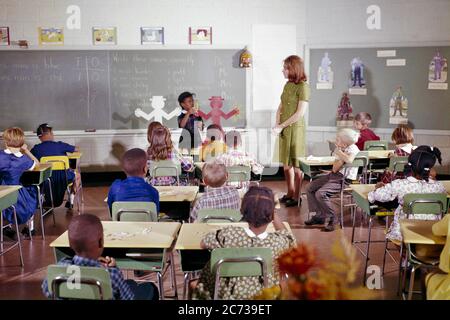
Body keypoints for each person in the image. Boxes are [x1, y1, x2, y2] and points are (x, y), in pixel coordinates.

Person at [191, 186, 296, 299]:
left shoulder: (228, 235)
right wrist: (273, 215)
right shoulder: (278, 242)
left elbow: (203, 243)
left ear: (242, 211)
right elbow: (289, 238)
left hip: (227, 294)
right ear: (271, 215)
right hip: (264, 293)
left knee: (194, 283)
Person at [41, 214, 159, 300]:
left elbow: (47, 290)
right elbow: (128, 298)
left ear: (70, 244)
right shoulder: (111, 274)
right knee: (149, 288)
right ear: (101, 242)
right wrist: (114, 268)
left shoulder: (58, 269)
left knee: (131, 283)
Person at [368, 146, 446, 242]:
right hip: (432, 231)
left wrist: (378, 189)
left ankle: (405, 253)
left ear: (409, 165)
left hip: (404, 231)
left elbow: (375, 196)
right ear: (430, 168)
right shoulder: (439, 186)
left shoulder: (399, 184)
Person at [304, 128, 360, 232]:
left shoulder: (353, 149)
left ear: (344, 142)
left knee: (320, 194)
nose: (335, 141)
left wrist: (339, 153)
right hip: (334, 175)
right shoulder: (341, 149)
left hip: (345, 180)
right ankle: (320, 215)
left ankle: (334, 218)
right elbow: (334, 168)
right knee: (309, 187)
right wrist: (340, 154)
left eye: (338, 139)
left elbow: (349, 159)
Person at [274, 55, 310, 207]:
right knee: (286, 164)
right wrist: (277, 123)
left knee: (296, 165)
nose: (283, 70)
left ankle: (297, 196)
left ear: (293, 69)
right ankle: (289, 192)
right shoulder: (287, 85)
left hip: (295, 130)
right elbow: (281, 106)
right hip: (283, 129)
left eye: (286, 68)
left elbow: (299, 113)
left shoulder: (303, 87)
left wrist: (281, 126)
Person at [0, 127, 39, 237]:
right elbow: (37, 163)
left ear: (6, 141)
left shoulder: (0, 155)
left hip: (2, 191)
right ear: (22, 142)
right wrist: (26, 150)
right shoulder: (23, 159)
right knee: (32, 193)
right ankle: (29, 228)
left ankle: (6, 226)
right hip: (17, 194)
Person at [30, 123, 80, 209]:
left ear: (40, 137)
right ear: (49, 134)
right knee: (78, 175)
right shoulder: (60, 145)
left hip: (46, 178)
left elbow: (30, 160)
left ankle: (42, 198)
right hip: (64, 177)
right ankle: (71, 198)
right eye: (52, 133)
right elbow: (77, 149)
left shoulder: (36, 149)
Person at [107, 148, 159, 215]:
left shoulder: (115, 188)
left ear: (123, 169)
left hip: (121, 225)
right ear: (145, 169)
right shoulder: (152, 191)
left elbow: (112, 211)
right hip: (146, 225)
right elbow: (155, 214)